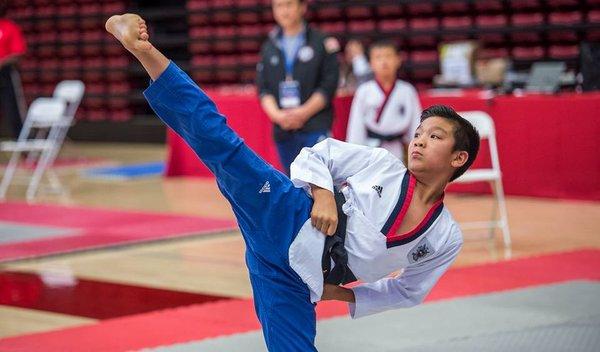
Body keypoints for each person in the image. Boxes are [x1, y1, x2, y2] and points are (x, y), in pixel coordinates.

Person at [105, 14, 479, 352]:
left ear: (458, 158)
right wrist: (323, 196)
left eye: (435, 137)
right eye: (419, 133)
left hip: (293, 280)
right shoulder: (383, 164)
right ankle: (144, 51)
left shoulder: (444, 237)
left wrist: (343, 296)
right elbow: (317, 154)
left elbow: (408, 291)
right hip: (287, 212)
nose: (419, 140)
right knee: (221, 145)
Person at [256, 0, 339, 175]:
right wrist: (278, 116)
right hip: (283, 128)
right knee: (292, 182)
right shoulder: (269, 46)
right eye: (278, 6)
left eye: (288, 4)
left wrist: (303, 113)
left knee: (320, 183)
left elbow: (329, 85)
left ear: (302, 7)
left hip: (315, 125)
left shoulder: (322, 42)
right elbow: (263, 89)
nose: (283, 11)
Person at [346, 40, 422, 161]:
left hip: (400, 149)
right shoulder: (364, 91)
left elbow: (416, 126)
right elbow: (356, 128)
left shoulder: (407, 91)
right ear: (370, 63)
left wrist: (418, 149)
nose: (384, 62)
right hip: (371, 148)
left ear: (398, 60)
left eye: (388, 56)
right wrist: (355, 156)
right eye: (378, 57)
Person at [0, 0, 27, 138]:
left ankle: (21, 142)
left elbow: (18, 53)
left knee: (13, 110)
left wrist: (2, 62)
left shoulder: (9, 27)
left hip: (5, 73)